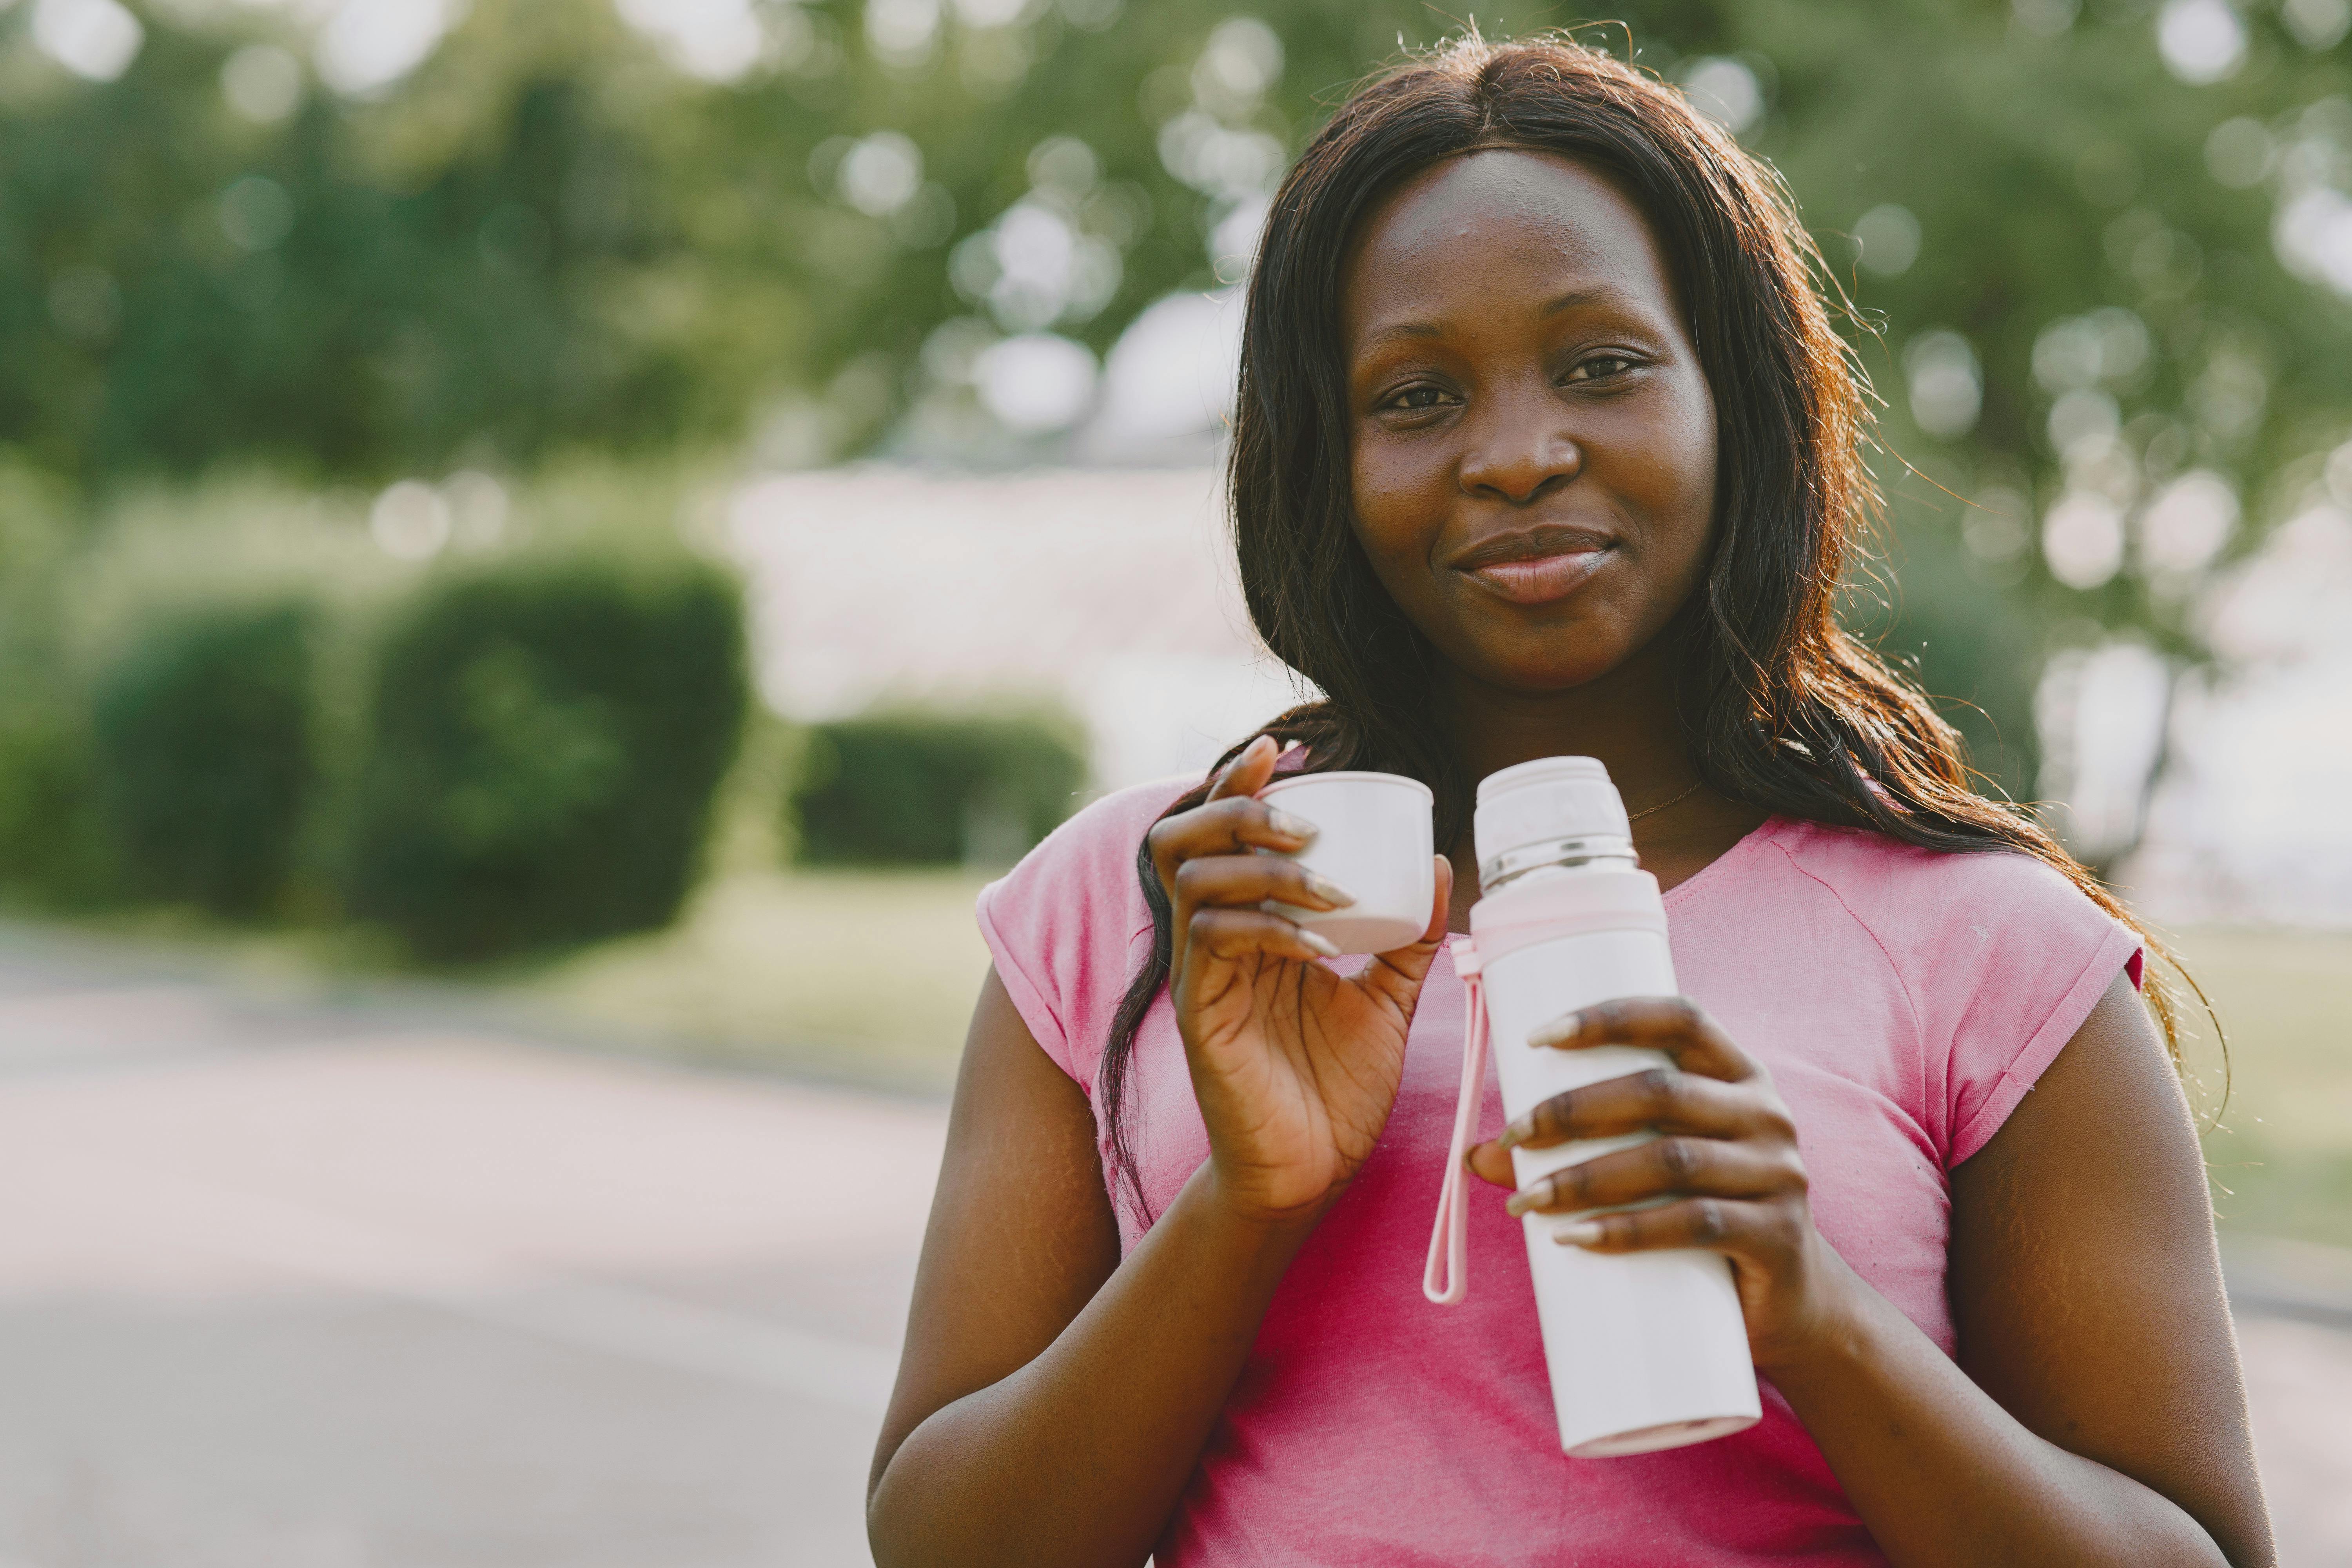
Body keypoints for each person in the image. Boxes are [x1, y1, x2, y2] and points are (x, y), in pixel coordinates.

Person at [866, 34, 2273, 1568]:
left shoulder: (1989, 952)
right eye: (1415, 396)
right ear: (1320, 457)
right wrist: (1246, 1207)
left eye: (1603, 365)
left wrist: (1816, 1316)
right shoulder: (1148, 910)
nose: (1520, 455)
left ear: (1736, 397)